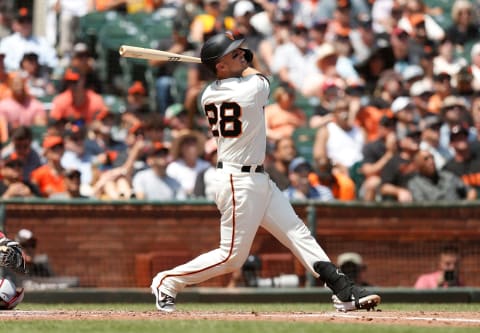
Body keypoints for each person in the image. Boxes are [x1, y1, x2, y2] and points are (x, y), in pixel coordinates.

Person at [151, 31, 381, 313]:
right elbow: (261, 75)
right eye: (233, 53)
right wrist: (243, 62)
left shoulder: (209, 93)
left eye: (240, 51)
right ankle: (167, 281)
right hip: (237, 181)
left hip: (257, 178)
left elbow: (241, 73)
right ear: (219, 66)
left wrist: (228, 62)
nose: (241, 54)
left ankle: (342, 290)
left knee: (298, 233)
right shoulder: (251, 88)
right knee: (232, 258)